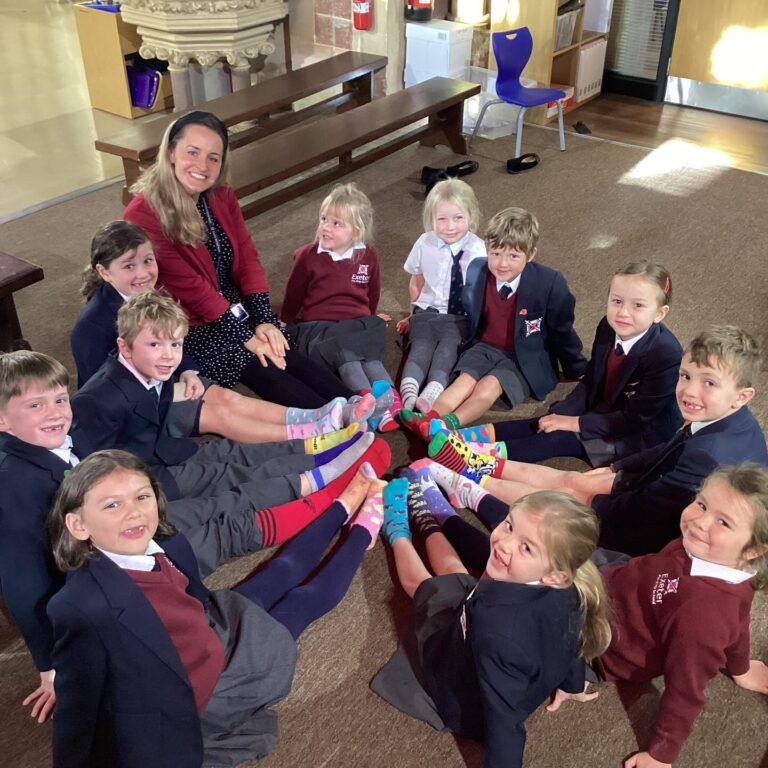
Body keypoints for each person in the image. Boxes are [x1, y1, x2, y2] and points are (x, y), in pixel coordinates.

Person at [0, 350, 390, 722]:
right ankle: (339, 501)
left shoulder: (50, 445)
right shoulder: (14, 483)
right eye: (36, 406)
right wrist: (50, 665)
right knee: (235, 543)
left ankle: (332, 489)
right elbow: (23, 581)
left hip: (139, 544)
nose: (55, 413)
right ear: (2, 420)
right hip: (126, 576)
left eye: (58, 400)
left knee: (225, 507)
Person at [46, 450, 387, 768]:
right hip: (205, 688)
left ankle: (340, 508)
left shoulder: (163, 539)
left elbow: (190, 592)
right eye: (111, 506)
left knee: (278, 572)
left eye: (141, 496)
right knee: (301, 602)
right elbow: (77, 712)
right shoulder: (81, 606)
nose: (134, 512)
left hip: (208, 626)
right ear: (78, 525)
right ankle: (361, 536)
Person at [424, 325, 768, 555]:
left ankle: (469, 481)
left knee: (573, 493)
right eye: (687, 376)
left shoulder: (710, 455)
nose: (690, 391)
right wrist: (613, 470)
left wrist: (590, 495)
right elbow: (663, 454)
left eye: (709, 383)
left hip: (655, 535)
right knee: (577, 477)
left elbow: (642, 511)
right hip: (661, 496)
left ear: (742, 396)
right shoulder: (723, 419)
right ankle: (474, 461)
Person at [123, 110, 356, 407]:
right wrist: (246, 335)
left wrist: (263, 319)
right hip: (185, 319)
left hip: (228, 299)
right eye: (192, 152)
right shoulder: (144, 214)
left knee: (278, 344)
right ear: (170, 153)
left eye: (213, 157)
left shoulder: (220, 195)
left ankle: (356, 402)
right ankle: (334, 419)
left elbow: (246, 256)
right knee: (255, 359)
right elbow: (191, 289)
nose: (202, 166)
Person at [370, 483, 611, 768]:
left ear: (557, 576)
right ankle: (426, 520)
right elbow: (571, 641)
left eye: (526, 547)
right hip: (486, 622)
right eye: (509, 525)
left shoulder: (498, 634)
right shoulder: (570, 590)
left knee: (423, 586)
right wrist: (571, 683)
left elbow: (504, 725)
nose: (503, 543)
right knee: (455, 575)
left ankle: (398, 532)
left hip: (458, 684)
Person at [70, 220, 373, 442]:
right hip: (143, 410)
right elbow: (100, 398)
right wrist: (166, 390)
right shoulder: (90, 328)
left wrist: (188, 372)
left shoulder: (154, 294)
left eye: (148, 261)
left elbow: (178, 344)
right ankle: (311, 434)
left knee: (231, 400)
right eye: (129, 266)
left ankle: (321, 416)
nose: (143, 273)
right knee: (223, 414)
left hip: (172, 380)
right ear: (103, 272)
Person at [71, 293, 379, 511]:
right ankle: (315, 473)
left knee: (229, 450)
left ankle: (316, 443)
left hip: (163, 450)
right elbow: (93, 466)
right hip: (147, 479)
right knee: (227, 474)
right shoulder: (97, 400)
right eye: (155, 344)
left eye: (175, 344)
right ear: (124, 348)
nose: (168, 355)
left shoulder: (149, 369)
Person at [444, 261, 683, 465]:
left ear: (660, 313)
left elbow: (635, 418)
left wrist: (573, 422)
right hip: (605, 408)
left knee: (559, 438)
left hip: (637, 431)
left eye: (638, 305)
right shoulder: (607, 327)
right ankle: (460, 436)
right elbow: (591, 380)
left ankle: (470, 456)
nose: (623, 313)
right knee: (544, 422)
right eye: (617, 301)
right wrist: (562, 414)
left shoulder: (666, 354)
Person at [400, 206, 586, 433]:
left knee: (488, 387)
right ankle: (427, 419)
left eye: (513, 256)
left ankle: (446, 425)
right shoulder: (477, 270)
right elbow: (471, 309)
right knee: (464, 381)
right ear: (486, 247)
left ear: (532, 254)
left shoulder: (549, 283)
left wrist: (575, 366)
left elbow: (562, 330)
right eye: (496, 253)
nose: (502, 263)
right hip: (485, 346)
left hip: (523, 357)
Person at [279, 182, 401, 431]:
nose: (325, 227)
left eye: (337, 223)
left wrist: (370, 315)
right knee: (349, 360)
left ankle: (392, 404)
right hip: (321, 326)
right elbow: (294, 291)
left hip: (355, 322)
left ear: (356, 233)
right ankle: (368, 404)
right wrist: (285, 319)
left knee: (371, 359)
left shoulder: (367, 254)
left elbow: (372, 288)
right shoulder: (309, 256)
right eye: (324, 219)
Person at [395, 178, 486, 413]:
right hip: (428, 312)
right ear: (431, 220)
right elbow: (416, 280)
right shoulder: (424, 243)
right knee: (420, 348)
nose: (450, 226)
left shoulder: (478, 249)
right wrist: (411, 313)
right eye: (441, 219)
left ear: (471, 216)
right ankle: (408, 391)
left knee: (447, 352)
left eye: (458, 218)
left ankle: (432, 392)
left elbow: (483, 292)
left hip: (459, 317)